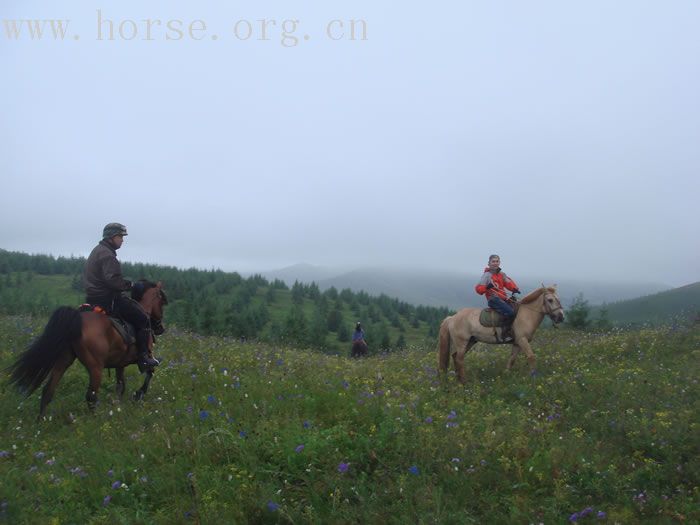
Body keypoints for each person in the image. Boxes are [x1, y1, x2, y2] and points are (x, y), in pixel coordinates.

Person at [83, 223, 159, 370]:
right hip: (109, 300)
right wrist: (131, 285)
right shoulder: (108, 255)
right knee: (143, 319)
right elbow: (113, 281)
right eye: (120, 236)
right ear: (112, 237)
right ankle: (143, 358)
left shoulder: (98, 250)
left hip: (92, 299)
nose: (122, 240)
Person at [475, 254, 521, 342]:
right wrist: (487, 287)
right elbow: (478, 289)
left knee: (518, 309)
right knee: (510, 313)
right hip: (493, 299)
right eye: (493, 261)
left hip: (503, 299)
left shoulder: (501, 274)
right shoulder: (487, 275)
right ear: (489, 263)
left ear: (499, 263)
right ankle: (504, 334)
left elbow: (508, 282)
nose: (495, 263)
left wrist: (515, 289)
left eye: (497, 261)